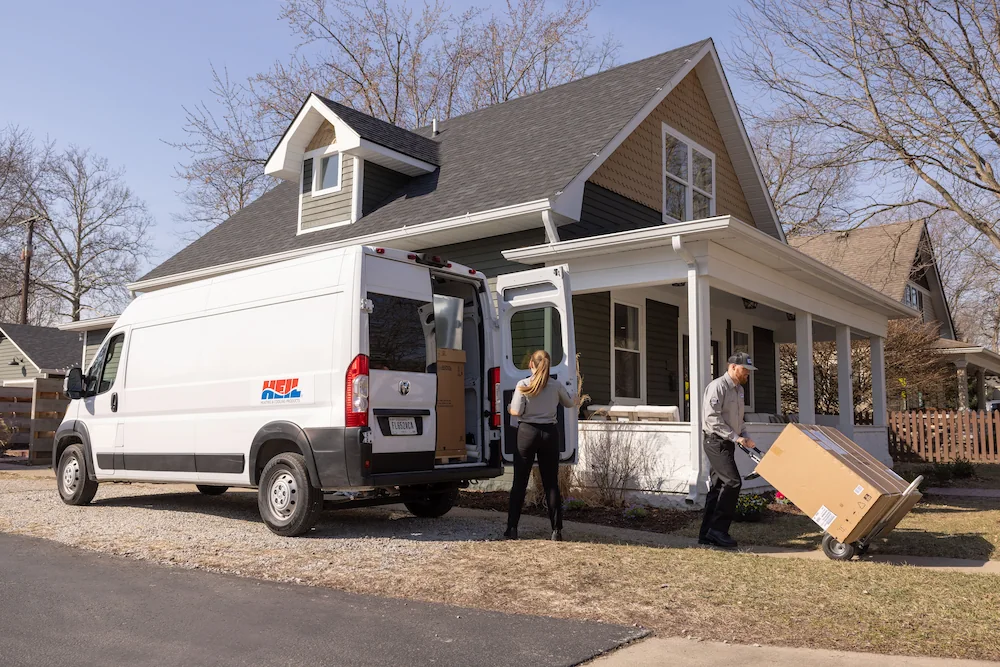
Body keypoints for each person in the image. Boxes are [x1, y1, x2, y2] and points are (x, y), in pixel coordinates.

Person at [505, 350, 575, 541]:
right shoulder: (555, 385)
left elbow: (516, 411)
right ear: (548, 365)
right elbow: (569, 403)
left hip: (527, 433)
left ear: (531, 364)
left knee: (519, 482)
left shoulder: (523, 384)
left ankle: (512, 528)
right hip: (549, 434)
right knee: (551, 482)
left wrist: (508, 408)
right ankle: (556, 531)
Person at [699, 351, 757, 549]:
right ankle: (718, 530)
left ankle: (706, 533)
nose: (748, 373)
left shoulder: (739, 390)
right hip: (715, 442)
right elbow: (712, 419)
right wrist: (736, 437)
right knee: (732, 482)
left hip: (727, 442)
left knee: (718, 487)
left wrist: (745, 436)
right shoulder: (717, 387)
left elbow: (737, 420)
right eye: (745, 369)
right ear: (732, 367)